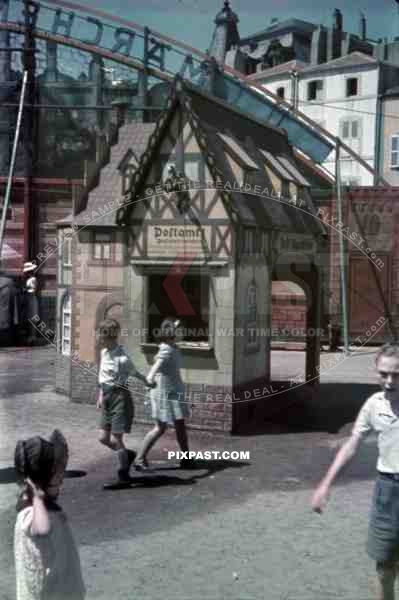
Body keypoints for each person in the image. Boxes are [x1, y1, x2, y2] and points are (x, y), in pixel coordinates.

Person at [311, 343, 399, 600]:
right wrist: (326, 484)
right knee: (384, 568)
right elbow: (351, 445)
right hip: (388, 492)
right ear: (376, 372)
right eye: (384, 374)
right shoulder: (373, 405)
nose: (390, 381)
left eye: (397, 374)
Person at [14, 429, 85, 600]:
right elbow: (43, 528)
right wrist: (38, 497)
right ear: (41, 481)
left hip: (61, 586)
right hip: (48, 593)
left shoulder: (43, 509)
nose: (61, 481)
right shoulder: (31, 513)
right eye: (57, 476)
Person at [97, 318, 154, 483]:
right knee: (103, 438)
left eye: (101, 335)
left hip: (120, 398)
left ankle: (124, 474)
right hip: (107, 398)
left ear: (108, 336)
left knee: (116, 438)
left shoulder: (122, 359)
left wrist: (147, 382)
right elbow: (102, 376)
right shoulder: (104, 353)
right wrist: (100, 395)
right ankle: (127, 455)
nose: (98, 338)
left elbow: (135, 373)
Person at [135, 318, 194, 470]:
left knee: (180, 425)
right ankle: (139, 459)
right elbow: (154, 369)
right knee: (160, 427)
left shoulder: (170, 345)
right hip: (165, 391)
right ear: (171, 335)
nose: (179, 333)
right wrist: (149, 379)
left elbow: (172, 327)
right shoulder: (167, 349)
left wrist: (177, 323)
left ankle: (186, 458)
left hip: (173, 390)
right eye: (176, 332)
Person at [22, 262, 39, 345]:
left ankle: (32, 337)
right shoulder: (30, 279)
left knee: (32, 317)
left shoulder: (32, 279)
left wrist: (26, 289)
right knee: (30, 318)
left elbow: (33, 289)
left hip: (31, 299)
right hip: (30, 299)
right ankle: (31, 337)